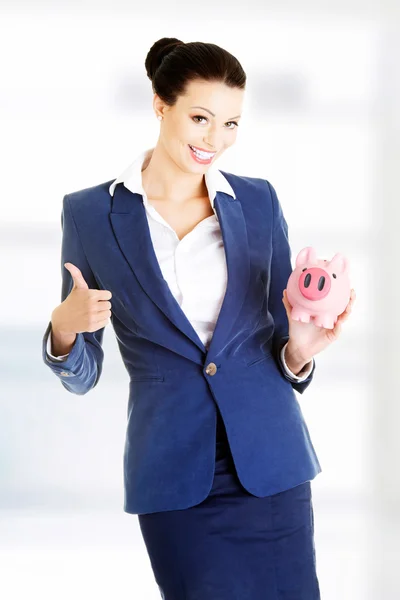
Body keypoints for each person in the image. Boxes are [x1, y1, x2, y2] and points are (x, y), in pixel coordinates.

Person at [42, 36, 355, 599]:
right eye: (201, 118)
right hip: (174, 472)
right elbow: (84, 372)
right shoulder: (90, 213)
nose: (216, 139)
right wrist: (65, 328)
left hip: (270, 464)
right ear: (161, 105)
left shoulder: (257, 202)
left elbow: (282, 339)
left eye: (232, 123)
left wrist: (300, 351)